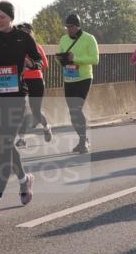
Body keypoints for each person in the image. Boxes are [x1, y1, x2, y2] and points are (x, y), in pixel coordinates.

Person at [0, 1, 42, 214]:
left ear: (11, 18)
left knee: (5, 146)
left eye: (2, 17)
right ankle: (24, 180)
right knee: (6, 144)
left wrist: (32, 64)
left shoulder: (23, 37)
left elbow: (39, 61)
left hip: (16, 98)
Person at [57, 13, 100, 153]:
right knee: (72, 113)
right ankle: (82, 139)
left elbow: (95, 59)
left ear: (78, 26)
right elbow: (60, 56)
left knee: (77, 109)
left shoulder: (89, 38)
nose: (69, 29)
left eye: (71, 27)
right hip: (69, 78)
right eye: (67, 27)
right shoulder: (63, 39)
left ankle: (83, 141)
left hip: (84, 78)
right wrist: (61, 59)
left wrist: (76, 58)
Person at [15, 22, 53, 145]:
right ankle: (21, 139)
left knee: (35, 111)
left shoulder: (36, 47)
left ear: (30, 33)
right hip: (22, 81)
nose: (23, 34)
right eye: (21, 32)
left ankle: (47, 128)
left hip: (36, 81)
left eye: (26, 31)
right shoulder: (15, 47)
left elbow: (45, 65)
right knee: (22, 110)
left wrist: (31, 65)